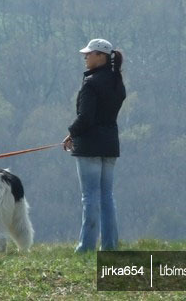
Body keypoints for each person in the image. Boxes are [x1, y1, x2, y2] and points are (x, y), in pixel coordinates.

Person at [62, 38, 126, 252]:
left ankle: (86, 246)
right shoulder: (117, 82)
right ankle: (110, 246)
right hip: (110, 146)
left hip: (89, 147)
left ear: (101, 56)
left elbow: (86, 118)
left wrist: (71, 133)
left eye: (89, 53)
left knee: (89, 196)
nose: (85, 56)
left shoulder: (91, 84)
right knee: (107, 197)